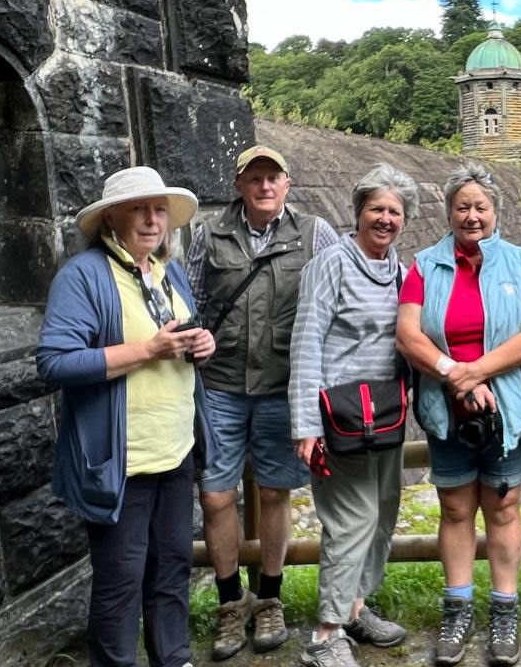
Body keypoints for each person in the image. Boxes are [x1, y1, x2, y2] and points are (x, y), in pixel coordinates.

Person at [38, 166, 216, 667]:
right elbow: (54, 363)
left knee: (172, 568)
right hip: (123, 463)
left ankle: (173, 658)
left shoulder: (167, 271)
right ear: (111, 218)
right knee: (121, 583)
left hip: (175, 451)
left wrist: (200, 344)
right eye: (139, 209)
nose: (153, 219)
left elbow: (177, 338)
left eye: (159, 209)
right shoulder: (84, 275)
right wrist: (147, 350)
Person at [184, 144, 338, 660]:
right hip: (220, 386)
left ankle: (269, 596)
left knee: (274, 493)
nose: (265, 186)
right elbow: (192, 302)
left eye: (274, 177)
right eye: (255, 178)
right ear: (239, 185)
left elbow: (337, 295)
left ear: (288, 183)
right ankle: (231, 602)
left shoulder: (315, 233)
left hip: (282, 387)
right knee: (215, 496)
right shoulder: (208, 234)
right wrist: (193, 338)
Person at [396, 163, 521, 667]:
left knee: (504, 508)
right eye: (462, 206)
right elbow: (408, 334)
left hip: (505, 410)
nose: (472, 216)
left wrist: (477, 372)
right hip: (446, 409)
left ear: (495, 211)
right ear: (448, 212)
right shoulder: (424, 266)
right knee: (456, 509)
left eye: (480, 206)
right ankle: (457, 608)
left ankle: (505, 610)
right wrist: (454, 374)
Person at [288, 164, 419, 667]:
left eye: (394, 212)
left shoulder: (400, 271)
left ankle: (355, 609)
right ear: (358, 212)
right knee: (351, 521)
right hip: (338, 418)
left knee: (382, 513)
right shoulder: (331, 265)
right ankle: (326, 633)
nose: (385, 219)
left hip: (385, 415)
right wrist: (306, 425)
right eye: (376, 209)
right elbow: (306, 343)